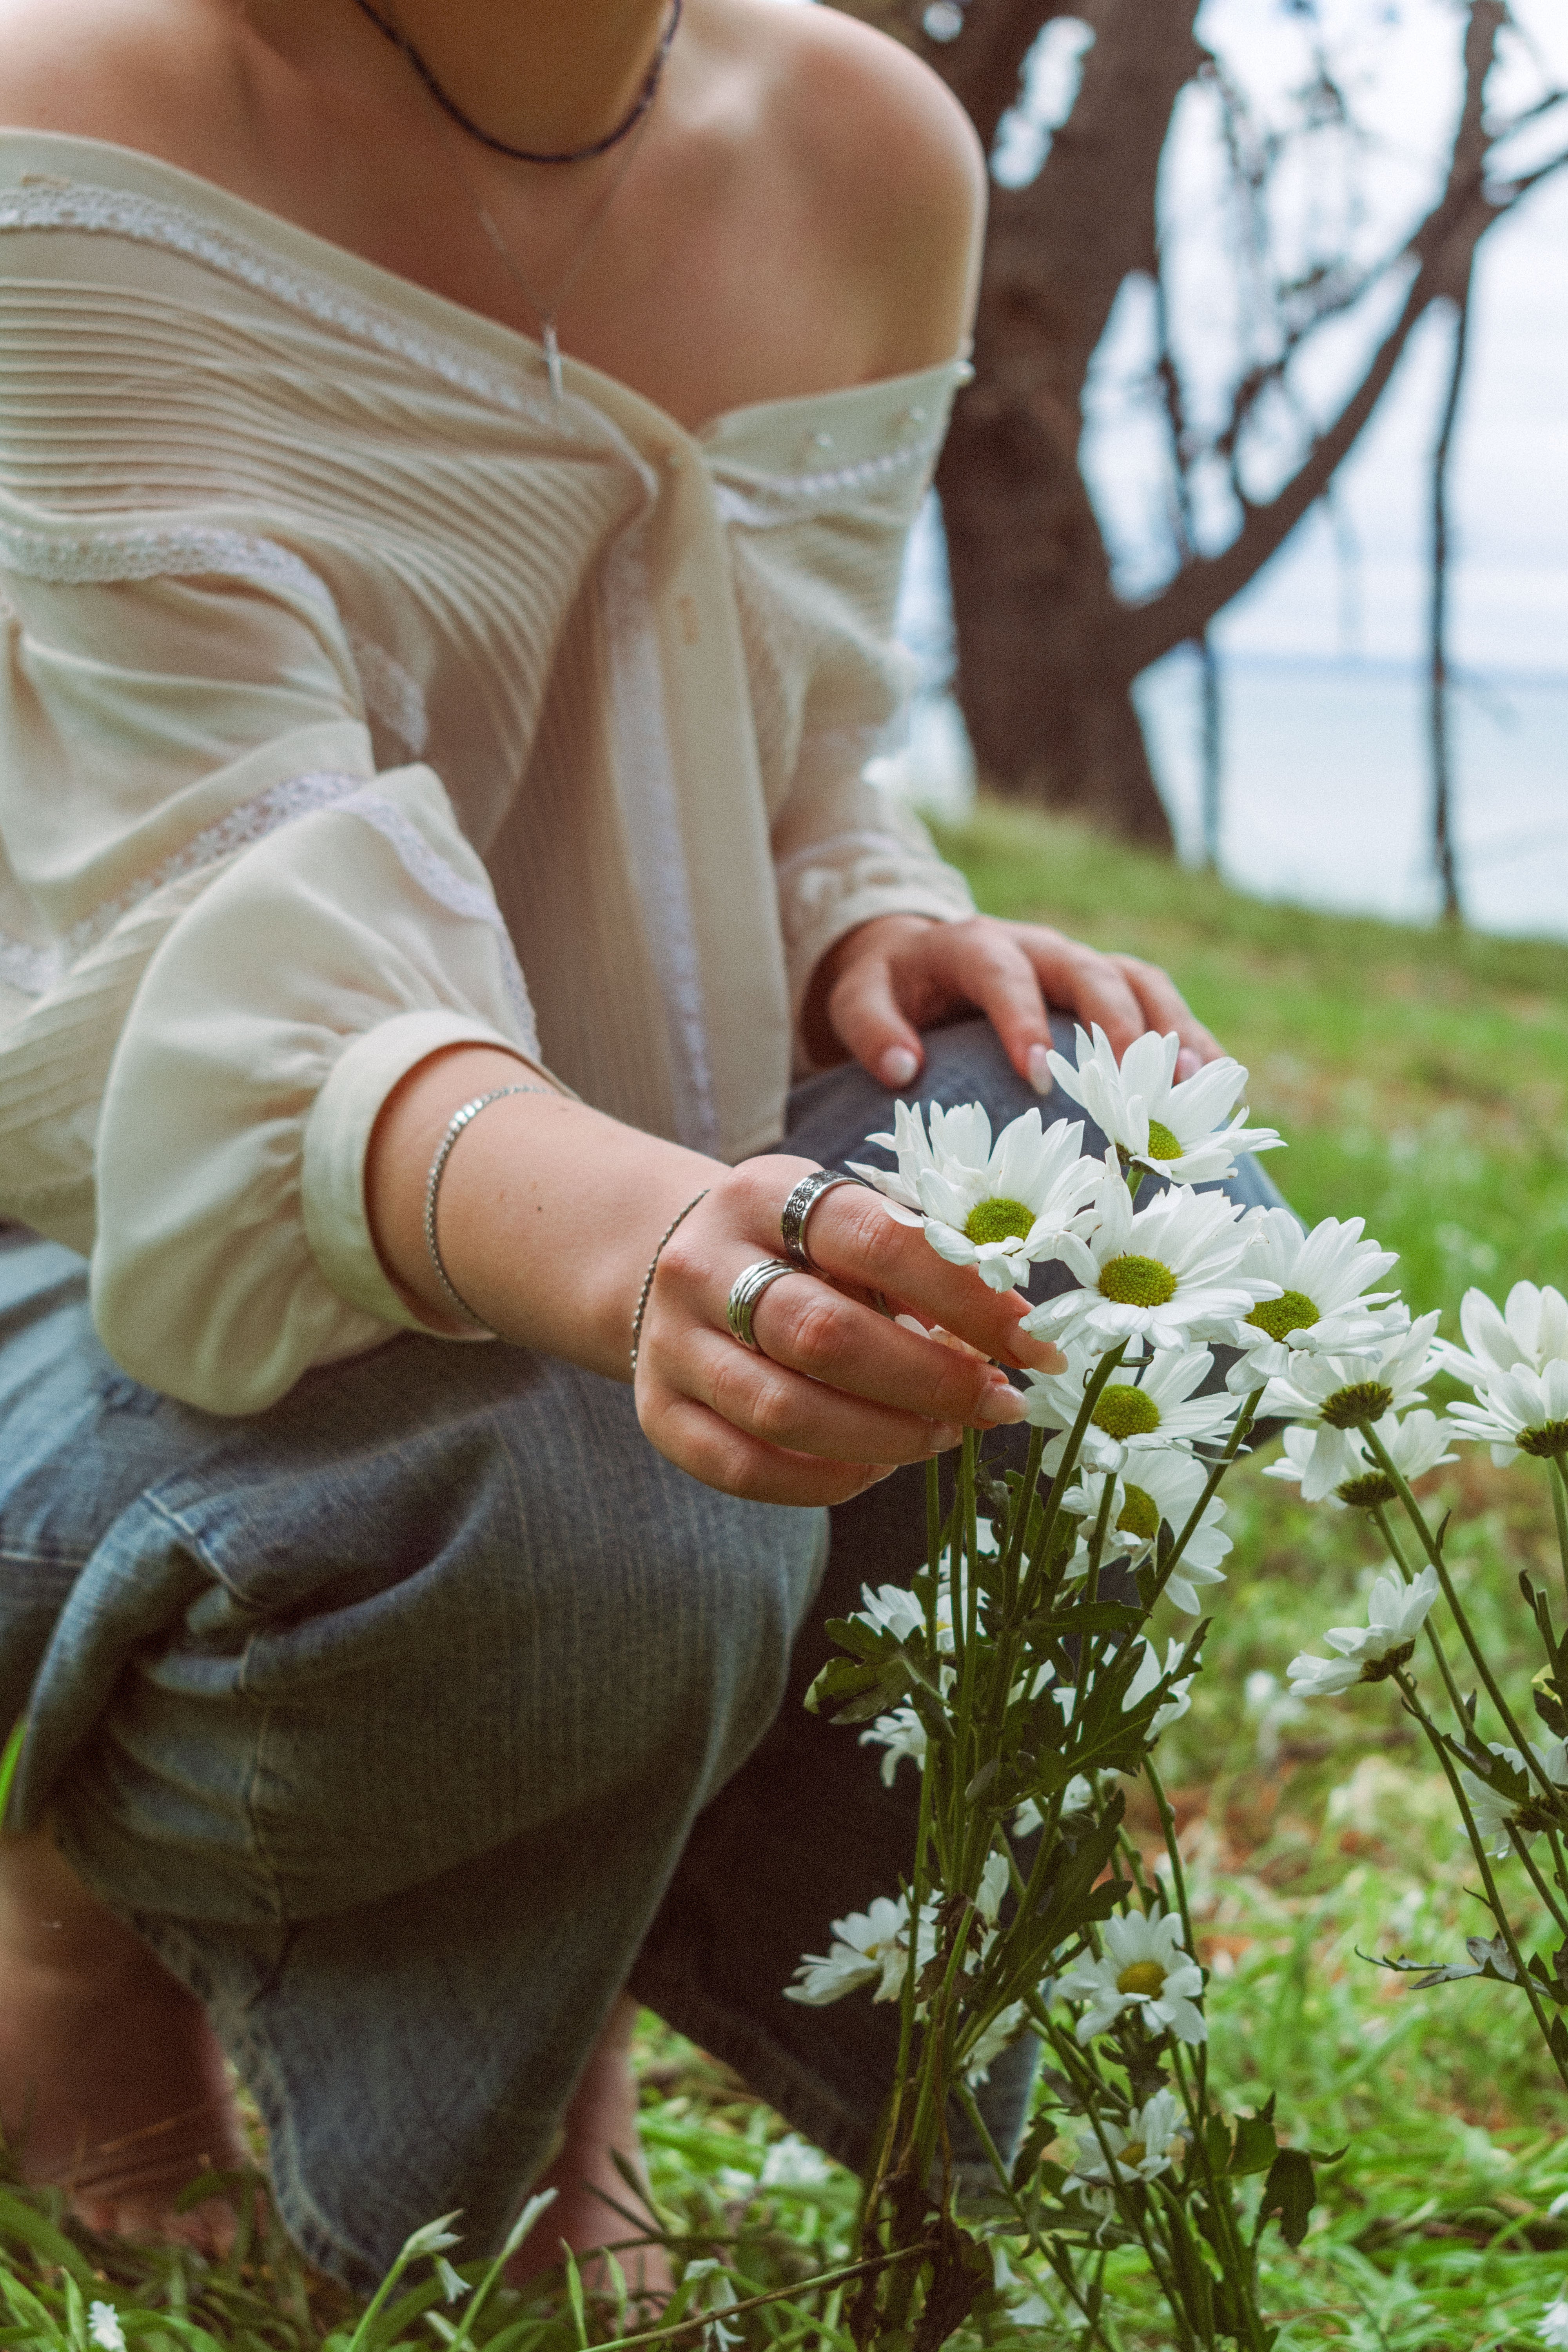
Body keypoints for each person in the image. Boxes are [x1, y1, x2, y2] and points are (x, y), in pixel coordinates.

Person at [0, 0, 1259, 2300]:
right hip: (100, 1240)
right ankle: (74, 1916)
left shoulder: (869, 144)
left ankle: (587, 1954)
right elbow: (195, 945)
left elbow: (788, 740)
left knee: (1127, 1181)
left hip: (600, 1196)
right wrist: (657, 1241)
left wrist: (868, 918)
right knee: (608, 1506)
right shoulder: (64, 122)